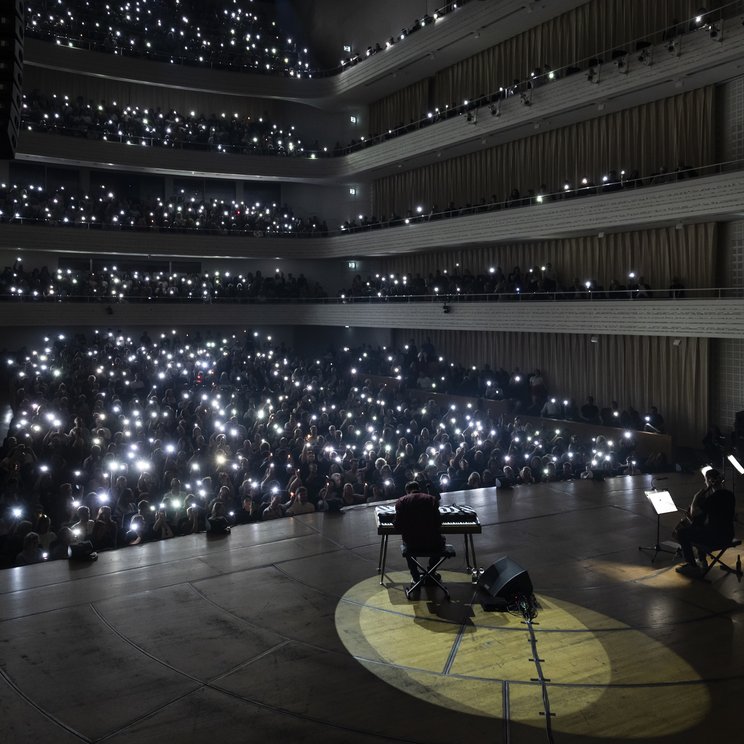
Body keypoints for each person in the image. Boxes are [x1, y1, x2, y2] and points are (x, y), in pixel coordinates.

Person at [675, 468, 735, 576]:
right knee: (699, 526)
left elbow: (693, 514)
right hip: (729, 535)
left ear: (709, 480)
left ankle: (692, 566)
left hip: (715, 537)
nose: (704, 482)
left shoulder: (712, 498)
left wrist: (695, 498)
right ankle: (702, 559)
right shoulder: (730, 495)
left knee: (682, 533)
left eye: (705, 479)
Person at [393, 482, 444, 585]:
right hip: (432, 544)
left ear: (407, 491)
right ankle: (430, 573)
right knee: (441, 542)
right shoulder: (431, 499)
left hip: (412, 545)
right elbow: (438, 523)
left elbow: (397, 526)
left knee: (407, 545)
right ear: (419, 489)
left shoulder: (401, 501)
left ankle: (416, 577)